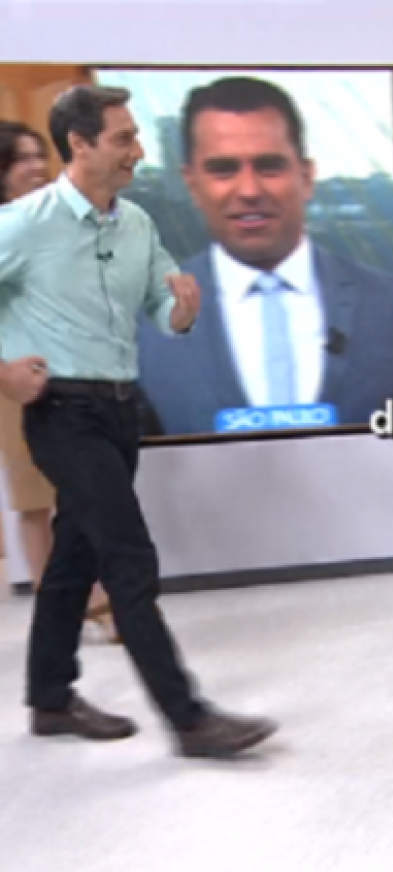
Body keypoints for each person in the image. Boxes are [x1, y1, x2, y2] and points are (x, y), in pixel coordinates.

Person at [0, 84, 277, 756]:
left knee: (74, 558)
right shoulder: (25, 223)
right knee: (127, 556)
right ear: (80, 144)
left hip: (121, 411)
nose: (138, 151)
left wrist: (180, 313)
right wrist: (2, 373)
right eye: (123, 138)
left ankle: (50, 699)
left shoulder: (137, 224)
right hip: (63, 413)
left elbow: (161, 307)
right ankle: (189, 719)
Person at [135, 75, 393, 437]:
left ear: (306, 177)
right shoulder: (141, 326)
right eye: (223, 170)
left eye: (269, 166)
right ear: (193, 185)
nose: (249, 190)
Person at [0, 121, 117, 643]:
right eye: (21, 158)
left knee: (80, 488)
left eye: (38, 155)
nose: (36, 166)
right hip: (15, 377)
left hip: (73, 370)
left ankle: (87, 595)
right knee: (35, 495)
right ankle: (67, 608)